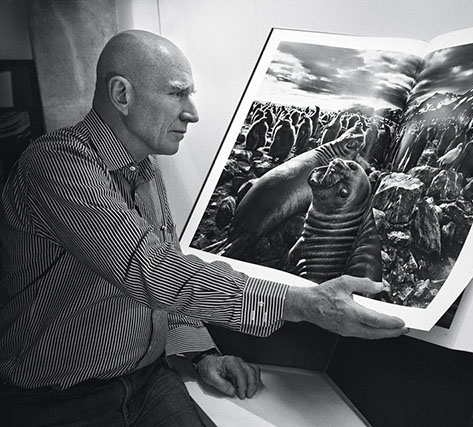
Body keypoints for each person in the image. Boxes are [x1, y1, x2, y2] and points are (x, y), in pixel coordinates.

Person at [0, 30, 408, 426]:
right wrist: (301, 302)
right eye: (178, 93)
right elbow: (156, 273)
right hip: (57, 401)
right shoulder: (56, 166)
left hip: (147, 381)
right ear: (122, 94)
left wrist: (200, 354)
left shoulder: (143, 167)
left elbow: (169, 268)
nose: (192, 112)